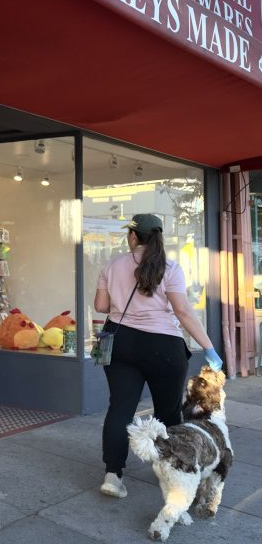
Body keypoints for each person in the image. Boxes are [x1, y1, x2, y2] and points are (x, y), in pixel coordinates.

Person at [94, 213, 223, 499]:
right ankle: (173, 473)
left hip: (121, 343)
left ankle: (113, 476)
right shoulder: (171, 268)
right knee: (167, 412)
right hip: (164, 347)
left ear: (133, 236)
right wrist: (210, 348)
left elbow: (101, 306)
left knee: (120, 409)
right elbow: (183, 312)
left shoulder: (112, 265)